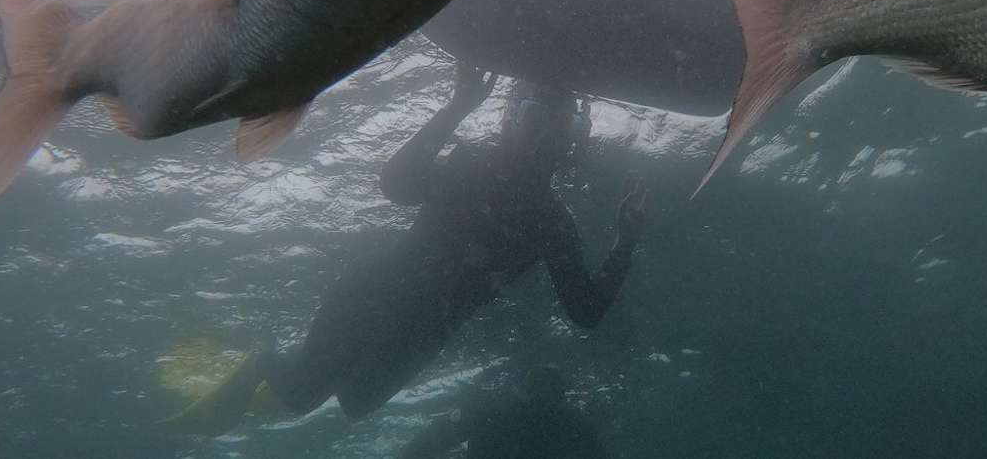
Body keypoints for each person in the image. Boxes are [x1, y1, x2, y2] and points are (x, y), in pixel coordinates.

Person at [166, 63, 649, 433]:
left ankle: (290, 378)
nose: (544, 134)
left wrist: (625, 242)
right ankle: (263, 363)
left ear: (574, 139)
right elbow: (396, 185)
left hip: (428, 328)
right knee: (301, 398)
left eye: (559, 125)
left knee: (358, 406)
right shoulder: (475, 166)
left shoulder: (552, 219)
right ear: (511, 121)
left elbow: (584, 312)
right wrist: (456, 107)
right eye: (533, 118)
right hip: (375, 293)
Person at [397, 364, 608, 458]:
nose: (541, 391)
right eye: (536, 381)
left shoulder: (574, 424)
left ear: (560, 391)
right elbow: (423, 446)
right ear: (516, 385)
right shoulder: (488, 410)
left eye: (552, 384)